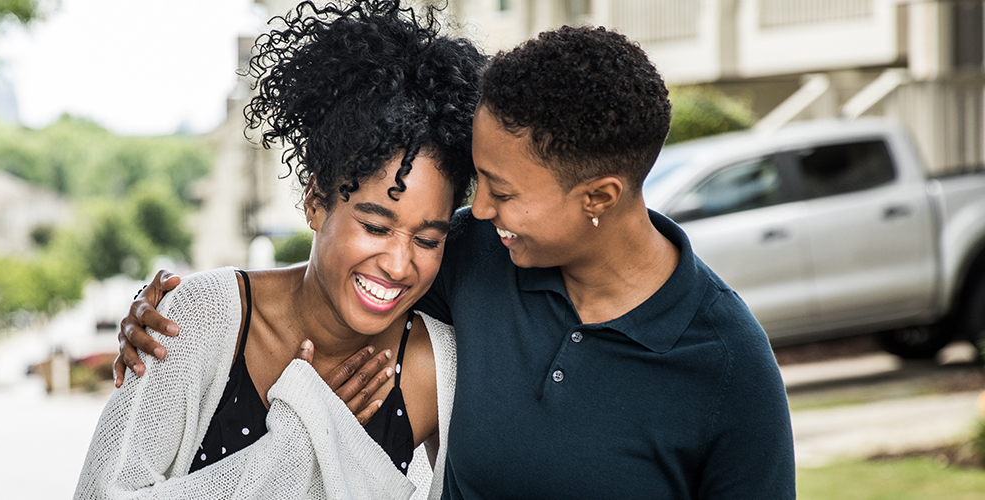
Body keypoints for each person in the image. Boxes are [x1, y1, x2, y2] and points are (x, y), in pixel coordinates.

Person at [117, 25, 795, 499]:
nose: (483, 210)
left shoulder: (726, 365)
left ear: (599, 197)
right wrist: (180, 310)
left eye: (502, 190)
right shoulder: (472, 254)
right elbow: (340, 272)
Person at [74, 2, 485, 498]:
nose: (399, 265)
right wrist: (301, 443)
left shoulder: (433, 369)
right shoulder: (198, 319)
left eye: (427, 239)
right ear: (315, 202)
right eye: (376, 227)